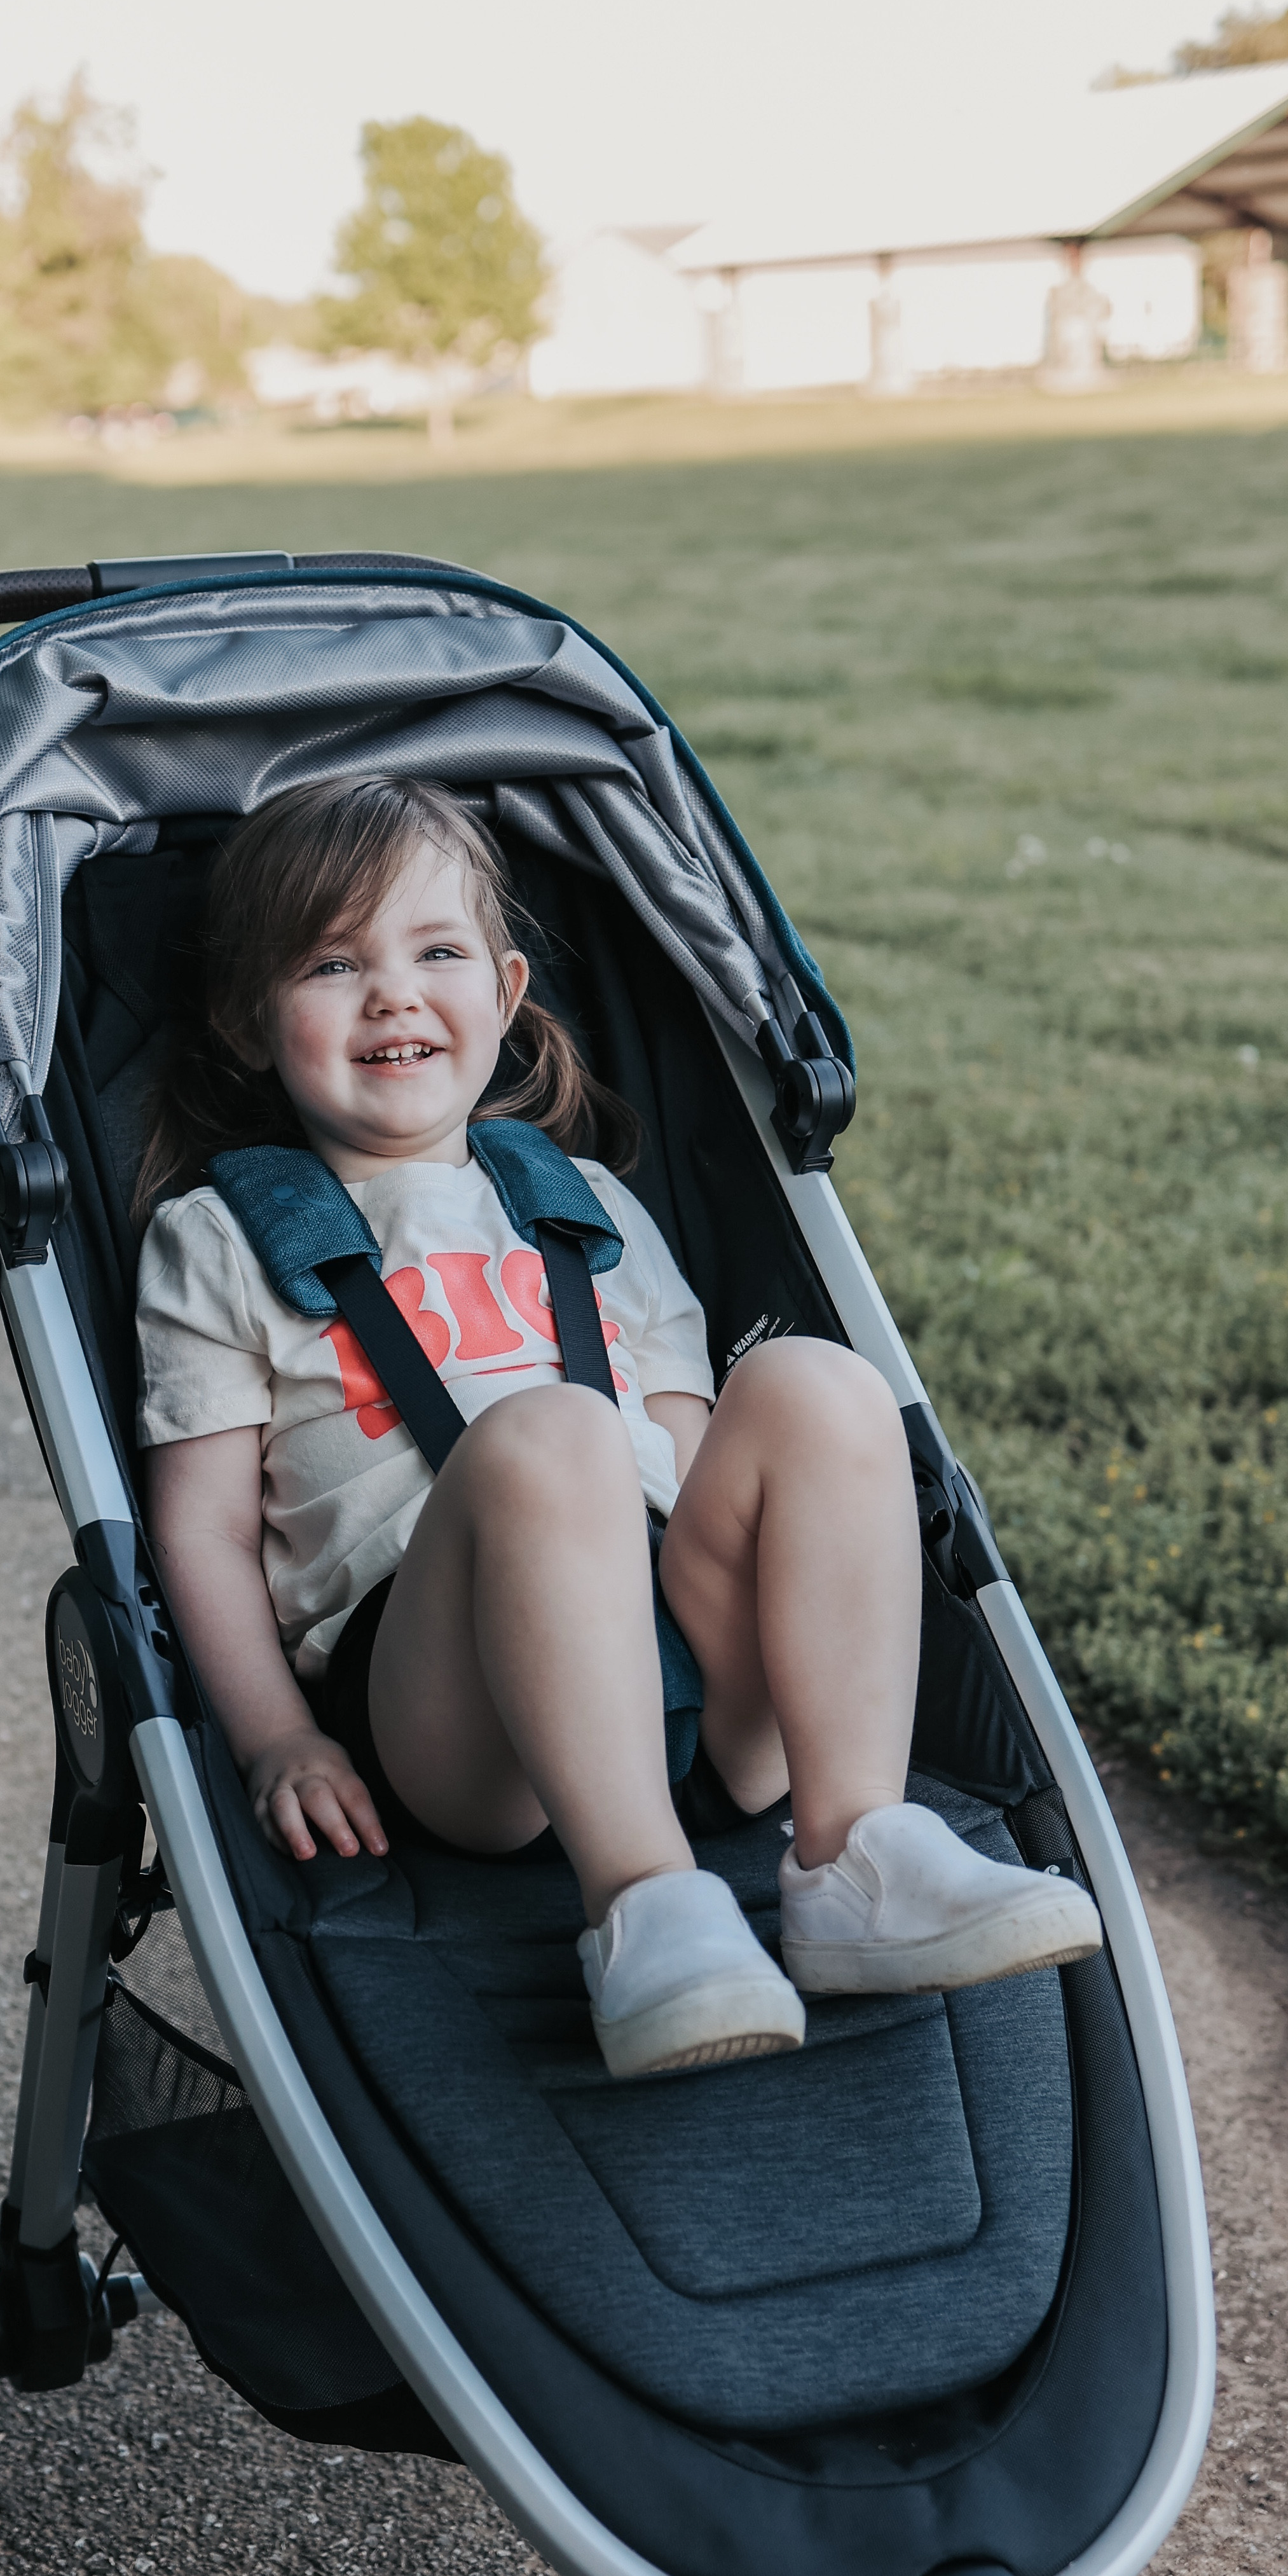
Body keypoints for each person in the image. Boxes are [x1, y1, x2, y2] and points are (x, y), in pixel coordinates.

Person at [135, 777, 1102, 2081]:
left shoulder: (580, 1202)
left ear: (506, 987)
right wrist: (275, 1738)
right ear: (247, 1023)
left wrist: (744, 1612)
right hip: (453, 1718)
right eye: (329, 963)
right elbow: (198, 1535)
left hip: (693, 1690)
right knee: (550, 1435)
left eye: (436, 952)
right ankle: (644, 1902)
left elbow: (697, 1463)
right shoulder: (218, 1239)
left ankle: (856, 1847)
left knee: (817, 1384)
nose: (392, 995)